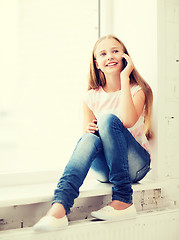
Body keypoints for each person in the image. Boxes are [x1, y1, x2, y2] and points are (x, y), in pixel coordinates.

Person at [33, 35, 153, 232]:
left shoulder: (137, 90)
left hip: (136, 165)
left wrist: (124, 77)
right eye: (103, 53)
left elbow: (128, 121)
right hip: (107, 169)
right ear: (97, 64)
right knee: (89, 136)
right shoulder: (90, 97)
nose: (110, 56)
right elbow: (88, 143)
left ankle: (124, 200)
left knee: (107, 119)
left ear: (125, 57)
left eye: (115, 51)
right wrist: (89, 130)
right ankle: (60, 206)